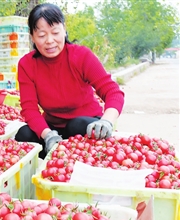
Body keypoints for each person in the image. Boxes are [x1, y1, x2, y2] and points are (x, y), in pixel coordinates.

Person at [15, 3, 125, 159]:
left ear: (64, 30)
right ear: (32, 36)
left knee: (76, 125)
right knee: (24, 134)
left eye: (55, 32)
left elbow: (112, 91)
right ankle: (49, 172)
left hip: (85, 125)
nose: (49, 40)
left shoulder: (81, 56)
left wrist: (107, 121)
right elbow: (29, 108)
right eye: (41, 35)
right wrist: (47, 135)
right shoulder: (27, 65)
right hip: (52, 130)